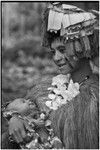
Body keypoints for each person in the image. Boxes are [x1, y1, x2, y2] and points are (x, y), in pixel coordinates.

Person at [2, 2, 99, 149]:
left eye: (62, 49)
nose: (56, 57)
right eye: (53, 52)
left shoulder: (95, 97)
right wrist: (15, 118)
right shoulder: (43, 88)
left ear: (81, 47)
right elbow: (21, 110)